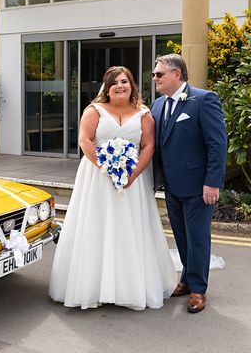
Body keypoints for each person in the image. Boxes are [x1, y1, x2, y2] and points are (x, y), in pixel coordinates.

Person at [49, 66, 177, 310]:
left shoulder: (144, 115)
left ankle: (129, 287)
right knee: (96, 226)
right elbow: (85, 141)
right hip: (97, 178)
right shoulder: (94, 110)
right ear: (107, 88)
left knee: (129, 228)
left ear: (132, 86)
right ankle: (92, 286)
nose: (120, 86)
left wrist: (132, 174)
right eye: (115, 82)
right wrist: (107, 168)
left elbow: (148, 146)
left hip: (133, 181)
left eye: (125, 81)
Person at [151, 54, 227, 313]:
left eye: (159, 74)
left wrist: (212, 182)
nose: (155, 78)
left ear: (177, 75)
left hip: (198, 186)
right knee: (181, 237)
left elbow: (217, 144)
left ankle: (198, 290)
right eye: (154, 74)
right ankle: (185, 279)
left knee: (198, 238)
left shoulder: (204, 99)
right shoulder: (158, 105)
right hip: (171, 186)